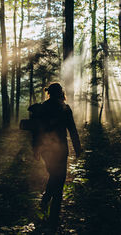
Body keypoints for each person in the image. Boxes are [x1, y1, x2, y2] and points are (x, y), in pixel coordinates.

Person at [28, 82, 82, 227]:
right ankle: (52, 214)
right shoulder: (65, 108)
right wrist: (78, 149)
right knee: (59, 178)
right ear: (61, 93)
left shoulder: (42, 107)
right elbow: (72, 130)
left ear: (49, 93)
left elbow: (36, 131)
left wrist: (36, 149)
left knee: (54, 175)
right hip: (60, 148)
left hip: (45, 149)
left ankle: (45, 205)